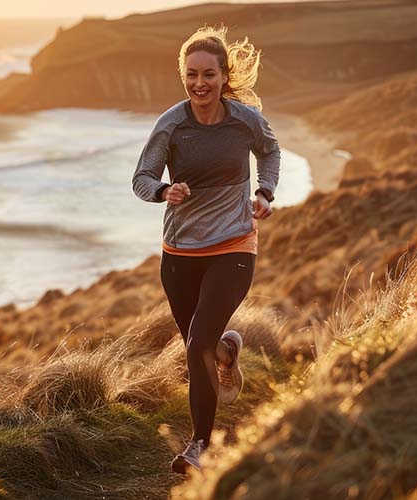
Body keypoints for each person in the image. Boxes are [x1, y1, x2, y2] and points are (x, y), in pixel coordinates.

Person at [131, 25, 280, 474]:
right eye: (191, 74)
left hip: (235, 243)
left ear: (223, 75)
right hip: (180, 252)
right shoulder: (171, 124)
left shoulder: (245, 121)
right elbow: (141, 178)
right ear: (183, 75)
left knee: (197, 343)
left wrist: (265, 192)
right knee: (199, 346)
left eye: (208, 74)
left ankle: (199, 447)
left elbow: (270, 154)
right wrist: (163, 193)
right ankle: (227, 353)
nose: (200, 83)